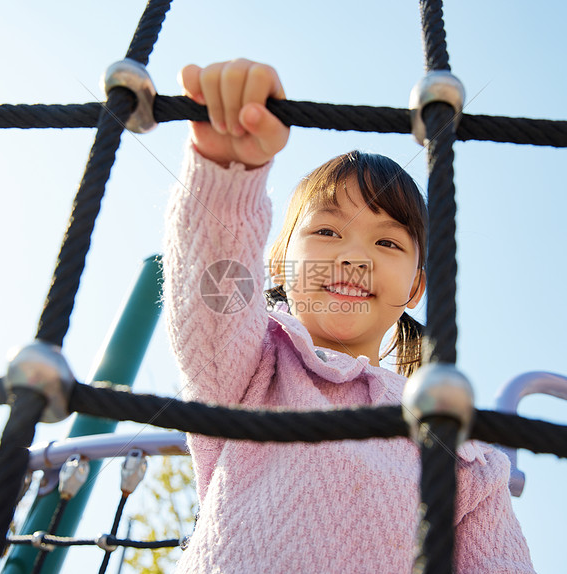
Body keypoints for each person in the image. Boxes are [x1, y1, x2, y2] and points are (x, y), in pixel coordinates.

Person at [163, 58, 535, 573]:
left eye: (386, 242)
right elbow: (208, 300)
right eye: (327, 232)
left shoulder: (457, 447)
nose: (352, 258)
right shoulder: (254, 367)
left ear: (416, 287)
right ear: (277, 262)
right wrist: (230, 172)